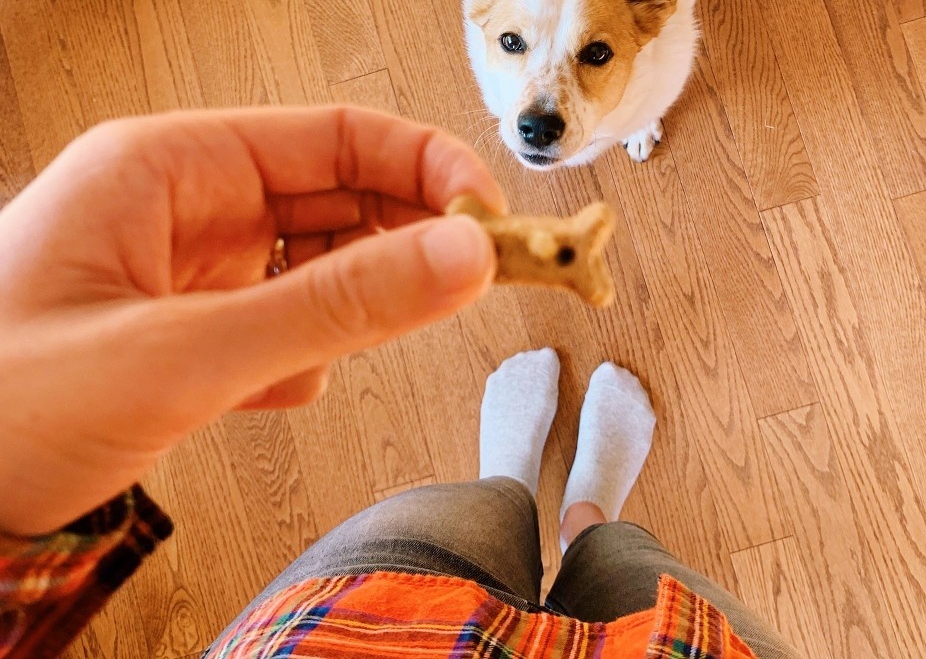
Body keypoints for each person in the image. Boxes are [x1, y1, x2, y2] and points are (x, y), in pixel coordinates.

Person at [0, 107, 801, 659]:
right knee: (625, 563)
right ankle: (588, 518)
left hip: (360, 637)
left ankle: (516, 489)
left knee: (474, 518)